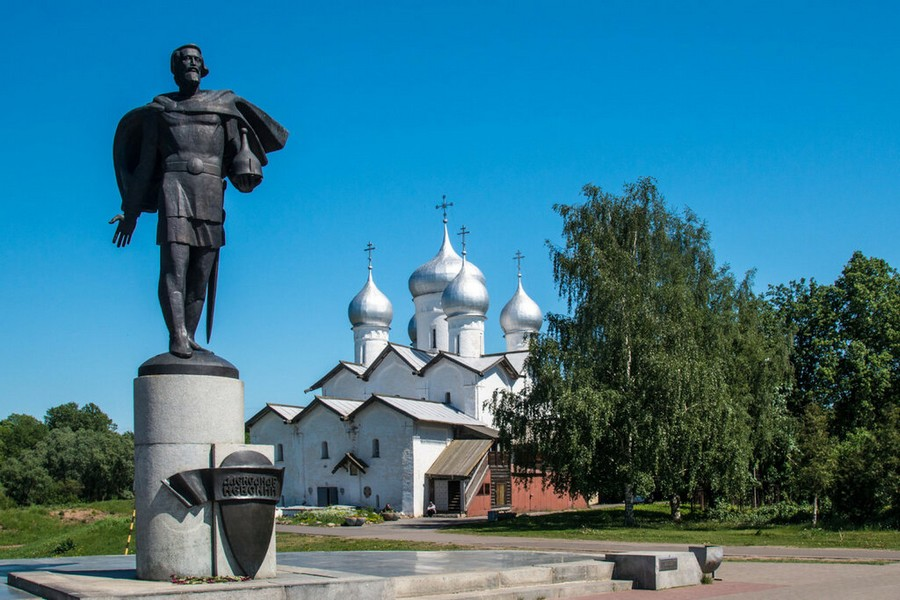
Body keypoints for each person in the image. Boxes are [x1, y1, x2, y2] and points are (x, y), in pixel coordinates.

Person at [112, 44, 288, 358]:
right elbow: (145, 165)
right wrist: (131, 212)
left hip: (209, 191)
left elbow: (239, 163)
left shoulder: (224, 106)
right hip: (174, 188)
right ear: (174, 70)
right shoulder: (160, 110)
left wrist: (247, 173)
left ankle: (189, 334)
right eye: (184, 60)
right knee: (175, 268)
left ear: (203, 68)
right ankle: (177, 335)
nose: (191, 64)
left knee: (200, 273)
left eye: (196, 60)